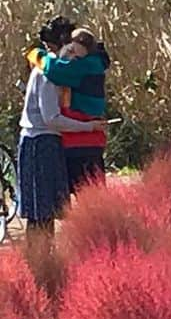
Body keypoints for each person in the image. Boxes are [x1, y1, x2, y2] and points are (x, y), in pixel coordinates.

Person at [17, 18, 107, 232]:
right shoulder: (62, 69)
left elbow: (51, 68)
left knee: (44, 212)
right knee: (44, 212)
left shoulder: (60, 67)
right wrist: (89, 127)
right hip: (50, 140)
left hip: (58, 142)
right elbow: (51, 118)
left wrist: (35, 55)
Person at [27, 23, 111, 192]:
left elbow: (54, 69)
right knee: (93, 198)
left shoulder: (82, 66)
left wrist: (38, 55)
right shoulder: (94, 62)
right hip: (88, 140)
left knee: (88, 201)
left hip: (81, 143)